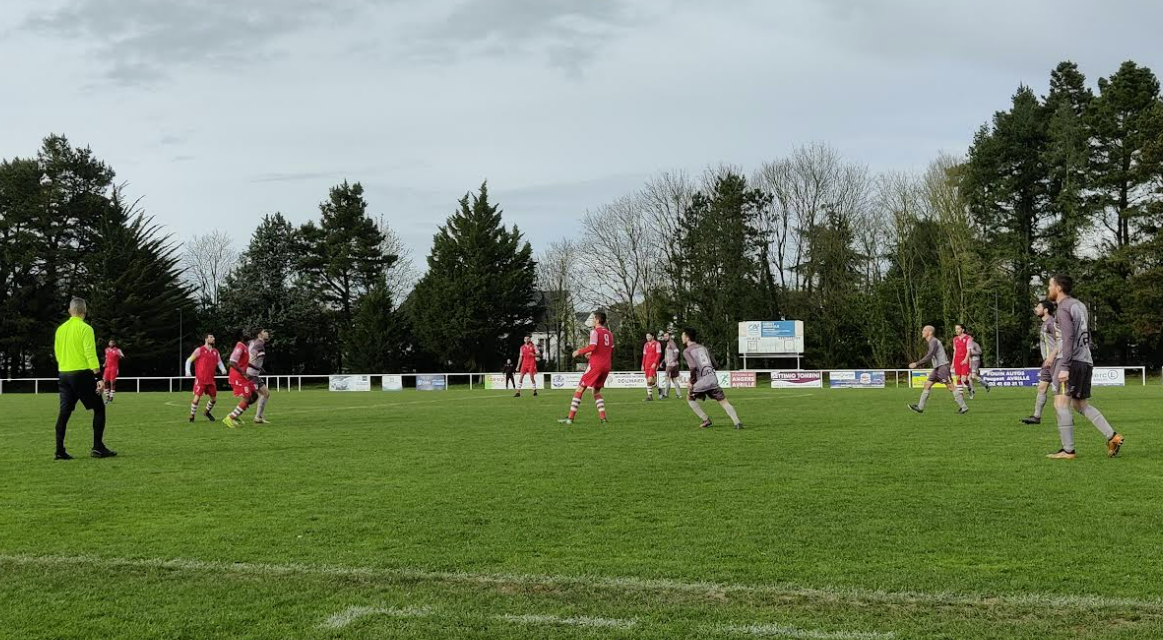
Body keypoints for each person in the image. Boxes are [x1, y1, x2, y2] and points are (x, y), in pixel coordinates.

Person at [1045, 274, 1124, 459]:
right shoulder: (1079, 305)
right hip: (1085, 360)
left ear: (1058, 288)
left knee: (1060, 403)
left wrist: (1064, 365)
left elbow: (1068, 337)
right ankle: (1112, 436)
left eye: (1050, 285)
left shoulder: (1063, 308)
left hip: (1070, 362)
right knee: (1080, 404)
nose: (1048, 289)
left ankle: (1068, 450)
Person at [53, 297, 116, 459]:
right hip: (81, 374)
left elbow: (58, 353)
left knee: (64, 412)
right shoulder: (86, 328)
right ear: (84, 312)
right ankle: (97, 447)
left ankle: (59, 450)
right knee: (99, 408)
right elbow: (90, 354)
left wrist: (65, 366)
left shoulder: (60, 329)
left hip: (64, 374)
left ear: (70, 311)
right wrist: (98, 377)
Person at [681, 328, 743, 429]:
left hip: (700, 382)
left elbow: (692, 367)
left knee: (690, 398)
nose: (681, 337)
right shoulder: (703, 348)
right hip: (712, 379)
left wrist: (691, 382)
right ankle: (737, 422)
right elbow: (715, 364)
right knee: (724, 401)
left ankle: (706, 419)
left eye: (683, 335)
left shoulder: (687, 351)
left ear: (687, 338)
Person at [558, 311, 613, 425]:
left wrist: (579, 351)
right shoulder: (609, 333)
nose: (592, 321)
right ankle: (603, 419)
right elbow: (606, 349)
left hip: (595, 365)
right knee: (596, 391)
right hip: (606, 366)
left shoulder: (594, 332)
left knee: (580, 389)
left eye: (593, 318)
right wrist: (592, 354)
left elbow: (593, 346)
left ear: (597, 320)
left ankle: (570, 418)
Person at [908, 325, 969, 415]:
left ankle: (964, 407)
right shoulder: (931, 342)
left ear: (930, 332)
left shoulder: (934, 341)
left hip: (942, 367)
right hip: (937, 368)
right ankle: (920, 407)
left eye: (924, 330)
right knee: (927, 384)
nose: (922, 332)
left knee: (950, 387)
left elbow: (929, 355)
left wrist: (917, 363)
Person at [1020, 300, 1058, 425]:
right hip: (1047, 363)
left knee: (1059, 392)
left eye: (1038, 307)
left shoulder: (1052, 323)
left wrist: (1052, 357)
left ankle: (1066, 417)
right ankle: (1036, 417)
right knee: (1041, 388)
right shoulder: (1044, 324)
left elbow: (1062, 341)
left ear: (1046, 310)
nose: (1036, 309)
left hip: (1056, 362)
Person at [186, 334, 226, 422]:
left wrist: (223, 369)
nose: (213, 338)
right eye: (211, 337)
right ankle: (192, 416)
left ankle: (207, 412)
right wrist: (187, 371)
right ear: (206, 339)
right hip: (200, 379)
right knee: (196, 398)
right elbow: (189, 360)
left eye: (213, 337)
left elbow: (219, 362)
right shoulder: (199, 350)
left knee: (214, 400)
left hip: (210, 380)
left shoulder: (216, 352)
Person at [222, 331, 257, 429]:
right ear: (241, 337)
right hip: (238, 376)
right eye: (246, 333)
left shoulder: (245, 347)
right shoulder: (240, 346)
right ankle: (230, 417)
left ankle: (236, 414)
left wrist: (254, 367)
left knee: (254, 395)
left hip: (242, 376)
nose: (249, 334)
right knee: (247, 398)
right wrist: (243, 373)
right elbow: (233, 362)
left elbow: (243, 362)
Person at [247, 330, 272, 424]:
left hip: (254, 374)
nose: (267, 333)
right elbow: (253, 352)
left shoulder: (258, 343)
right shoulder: (259, 344)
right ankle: (235, 414)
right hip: (251, 374)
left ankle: (258, 417)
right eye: (265, 331)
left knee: (264, 394)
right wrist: (252, 361)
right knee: (261, 395)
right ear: (259, 335)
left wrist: (258, 367)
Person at [964, 328, 991, 398]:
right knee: (968, 378)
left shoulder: (975, 344)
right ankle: (972, 391)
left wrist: (972, 352)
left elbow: (980, 352)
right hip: (969, 361)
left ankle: (986, 385)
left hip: (975, 360)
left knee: (973, 376)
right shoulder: (966, 344)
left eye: (968, 337)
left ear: (972, 337)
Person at [660, 331, 683, 399]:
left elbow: (676, 351)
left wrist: (674, 359)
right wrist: (662, 362)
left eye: (666, 336)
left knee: (667, 378)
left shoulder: (671, 343)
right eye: (664, 336)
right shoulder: (668, 343)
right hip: (674, 364)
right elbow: (667, 355)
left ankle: (666, 395)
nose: (665, 337)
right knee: (674, 379)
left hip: (670, 365)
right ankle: (679, 395)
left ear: (669, 336)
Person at [641, 332, 662, 401]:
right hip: (647, 364)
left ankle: (650, 396)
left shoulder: (657, 344)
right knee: (649, 381)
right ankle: (656, 390)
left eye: (649, 336)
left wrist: (655, 363)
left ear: (652, 336)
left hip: (653, 364)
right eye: (646, 336)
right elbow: (644, 355)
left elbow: (658, 354)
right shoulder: (645, 345)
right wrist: (642, 364)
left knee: (650, 381)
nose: (647, 338)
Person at [102, 339, 124, 405]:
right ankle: (107, 397)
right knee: (105, 382)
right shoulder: (106, 349)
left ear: (114, 344)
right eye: (109, 342)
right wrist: (105, 363)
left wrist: (119, 355)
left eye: (111, 343)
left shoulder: (118, 350)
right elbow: (106, 358)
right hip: (107, 368)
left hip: (114, 368)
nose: (110, 343)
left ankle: (111, 397)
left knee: (112, 382)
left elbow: (122, 357)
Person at [951, 324, 971, 393]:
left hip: (964, 359)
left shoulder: (968, 338)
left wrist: (965, 359)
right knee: (958, 378)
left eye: (958, 329)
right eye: (956, 329)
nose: (956, 330)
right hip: (957, 360)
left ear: (963, 330)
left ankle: (969, 386)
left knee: (964, 378)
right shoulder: (955, 339)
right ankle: (960, 396)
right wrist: (953, 362)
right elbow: (955, 351)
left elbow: (968, 350)